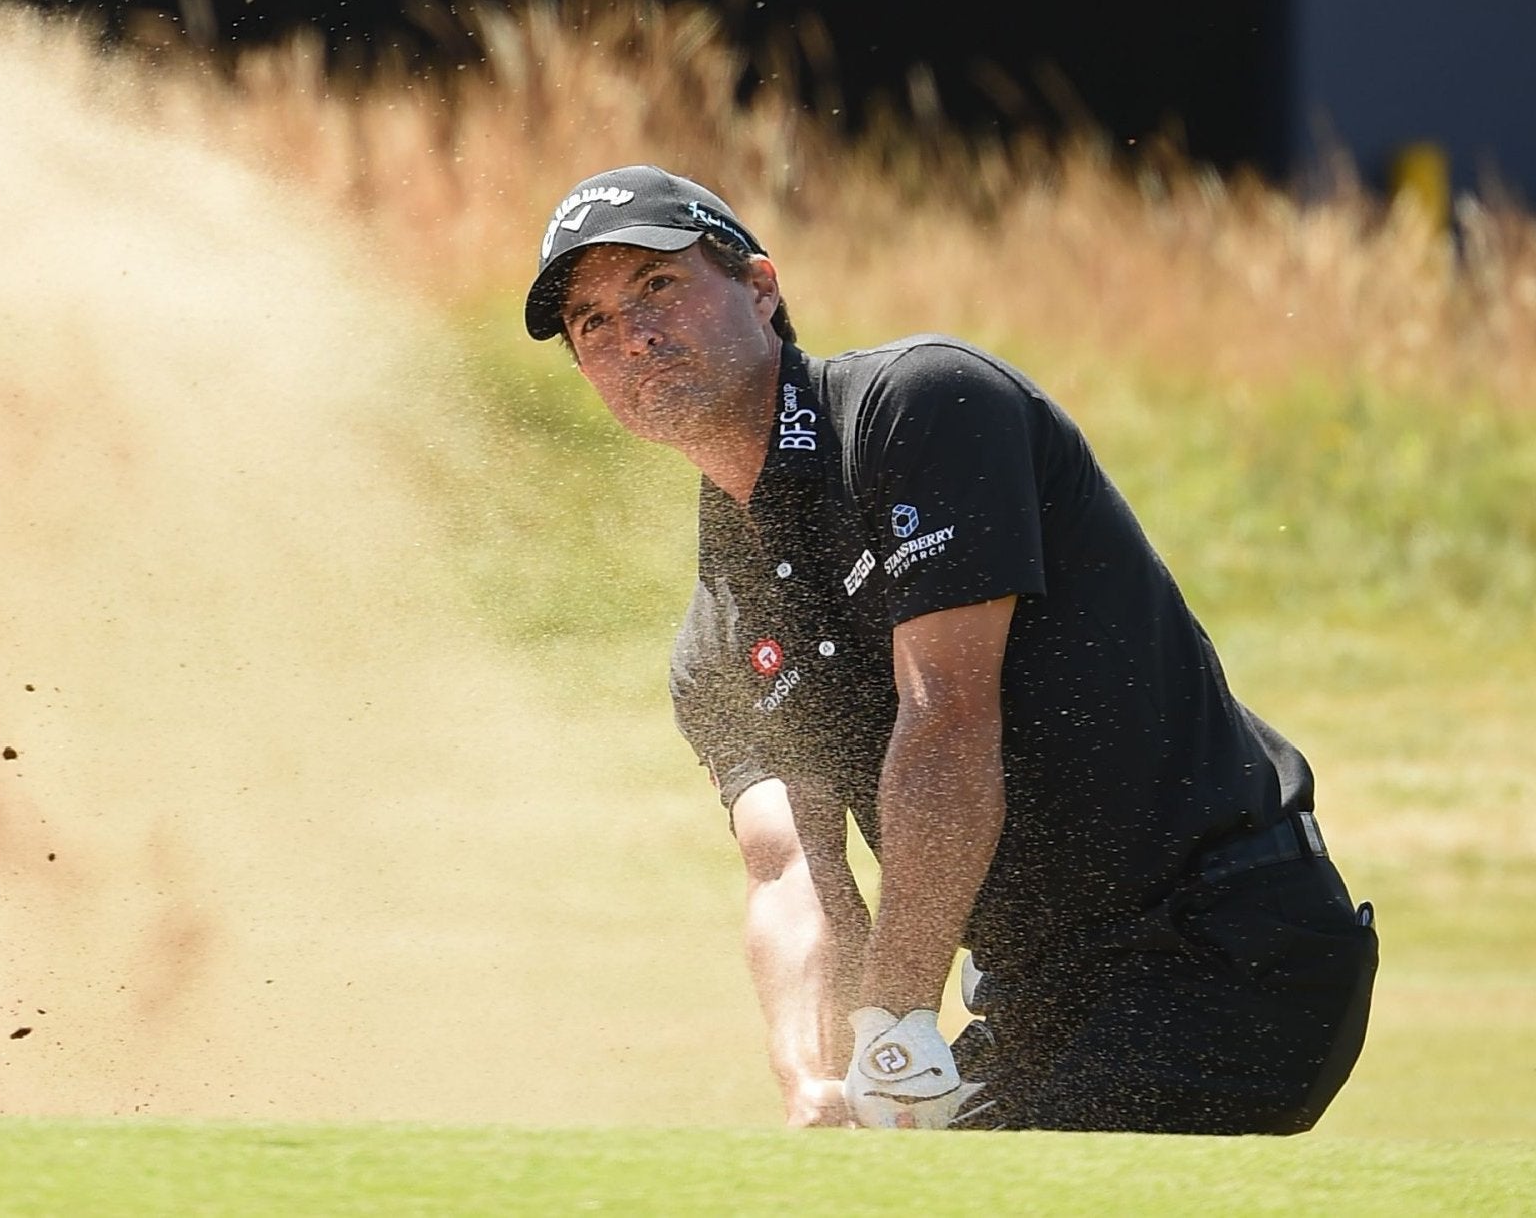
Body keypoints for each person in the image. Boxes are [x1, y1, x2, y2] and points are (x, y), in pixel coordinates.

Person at [524, 164, 1378, 1132]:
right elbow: (792, 871)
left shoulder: (921, 407)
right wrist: (819, 1077)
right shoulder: (717, 636)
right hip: (1033, 1002)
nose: (631, 332)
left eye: (658, 285)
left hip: (1223, 949)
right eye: (589, 322)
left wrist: (893, 1018)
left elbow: (946, 720)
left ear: (760, 289)